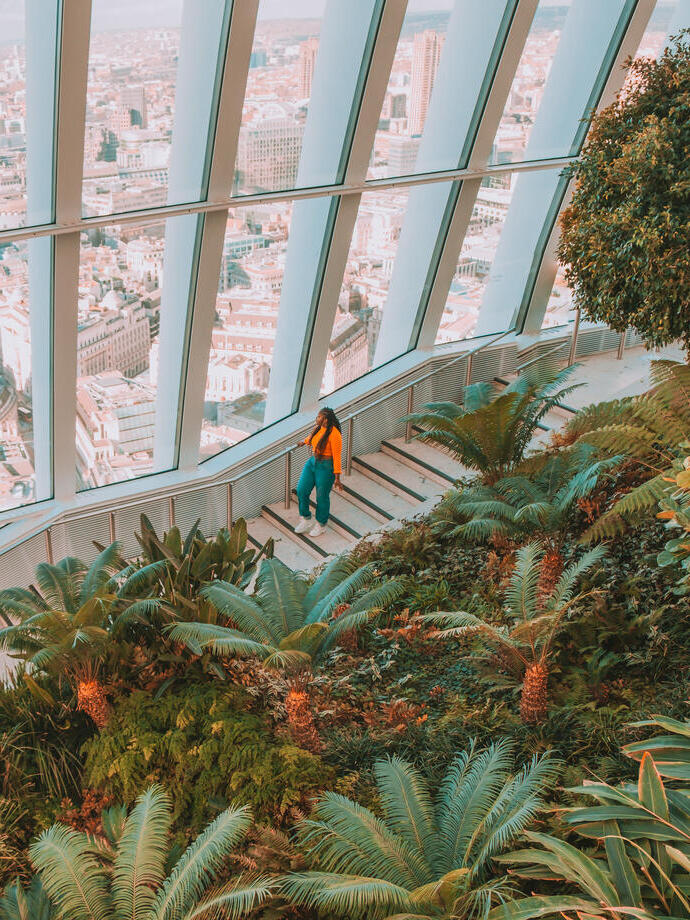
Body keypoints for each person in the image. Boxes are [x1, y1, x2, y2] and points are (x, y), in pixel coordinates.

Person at [295, 407, 343, 537]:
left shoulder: (335, 434)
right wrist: (303, 442)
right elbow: (312, 437)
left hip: (327, 467)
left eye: (319, 417)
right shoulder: (318, 428)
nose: (317, 418)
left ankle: (321, 524)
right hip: (312, 463)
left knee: (321, 497)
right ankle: (306, 518)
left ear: (326, 419)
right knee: (301, 490)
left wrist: (337, 478)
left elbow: (337, 457)